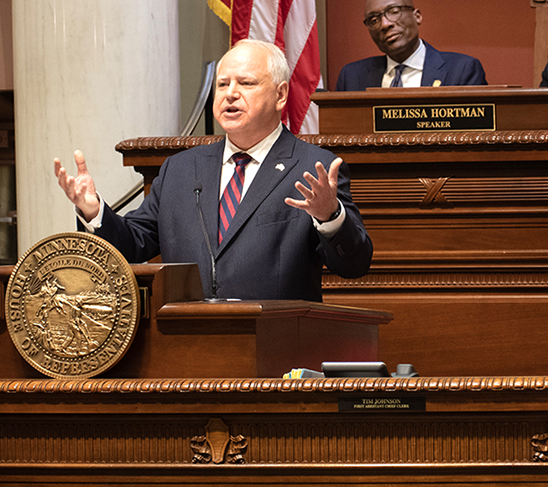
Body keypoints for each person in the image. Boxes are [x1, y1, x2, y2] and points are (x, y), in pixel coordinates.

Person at [55, 39, 373, 302]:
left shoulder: (311, 169)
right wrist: (94, 211)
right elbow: (133, 246)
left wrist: (330, 216)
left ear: (280, 95)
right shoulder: (180, 169)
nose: (230, 93)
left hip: (277, 348)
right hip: (188, 347)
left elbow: (354, 265)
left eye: (246, 83)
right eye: (223, 84)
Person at [335, 0, 487, 91]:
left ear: (417, 17)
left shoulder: (462, 70)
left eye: (394, 11)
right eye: (374, 20)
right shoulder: (352, 77)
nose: (385, 24)